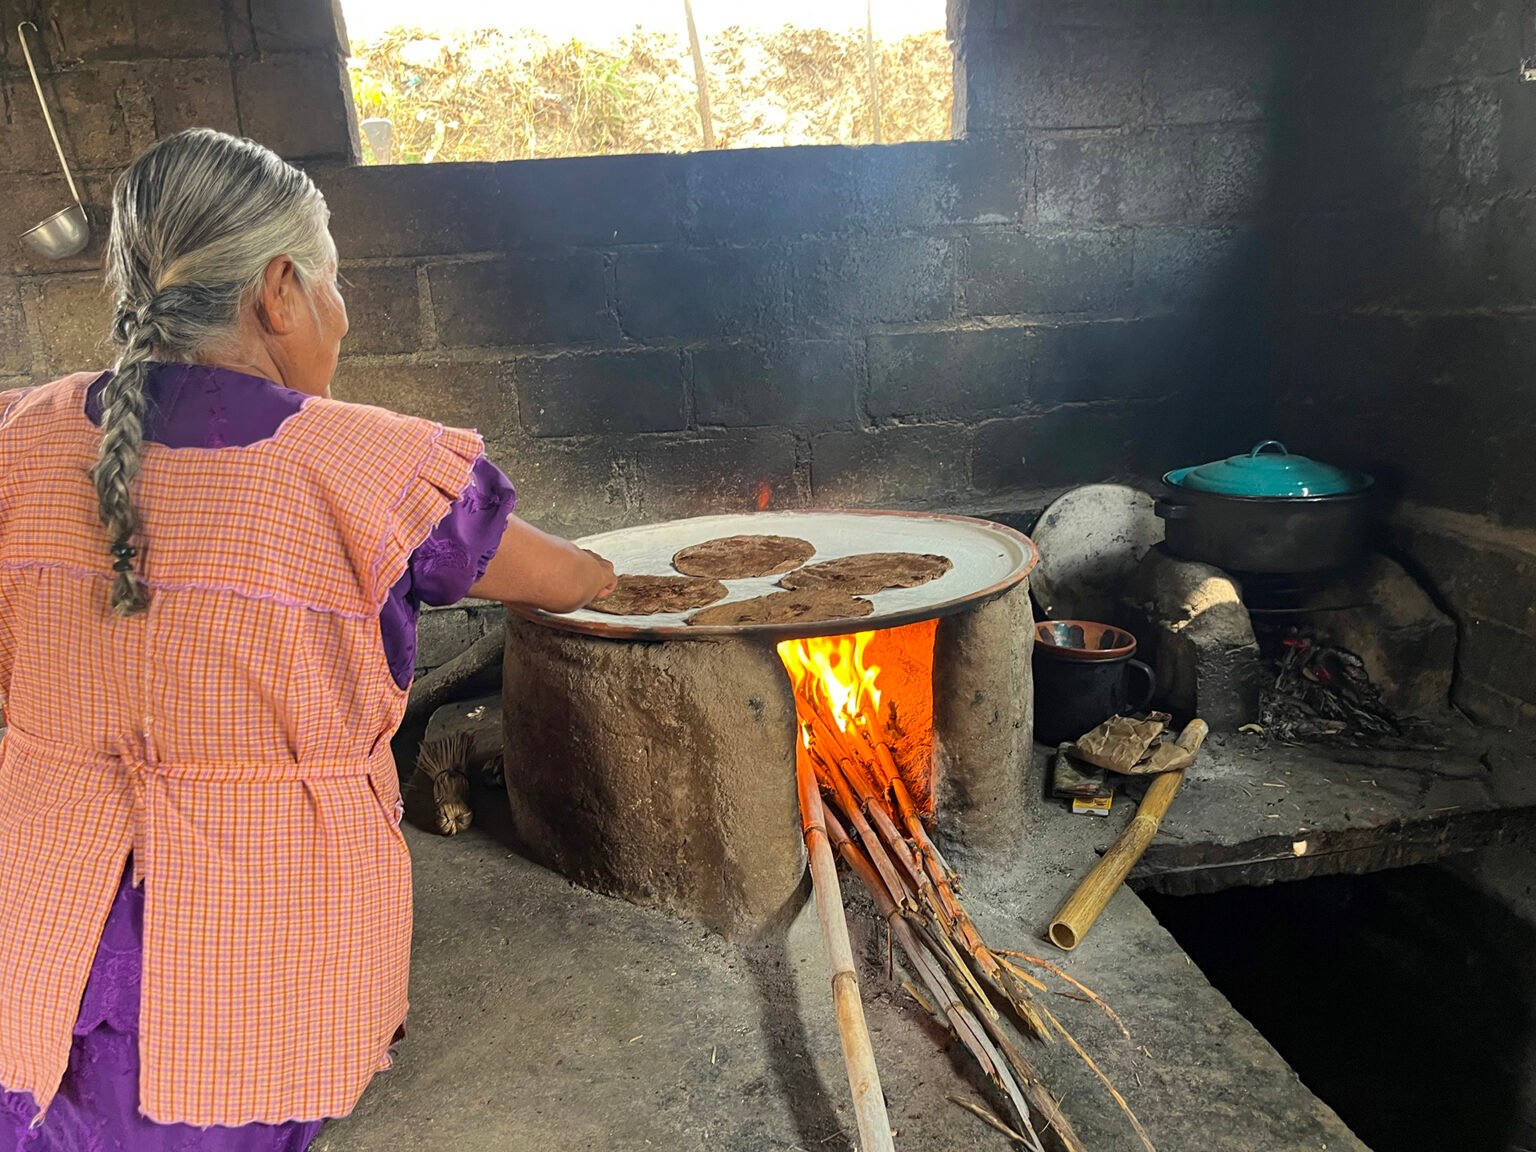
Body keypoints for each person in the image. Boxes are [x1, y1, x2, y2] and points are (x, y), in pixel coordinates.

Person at [0, 128, 616, 1150]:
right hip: (243, 950)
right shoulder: (367, 465)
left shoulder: (19, 436)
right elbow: (563, 578)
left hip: (33, 927)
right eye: (335, 281)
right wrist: (617, 570)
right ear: (279, 290)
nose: (343, 312)